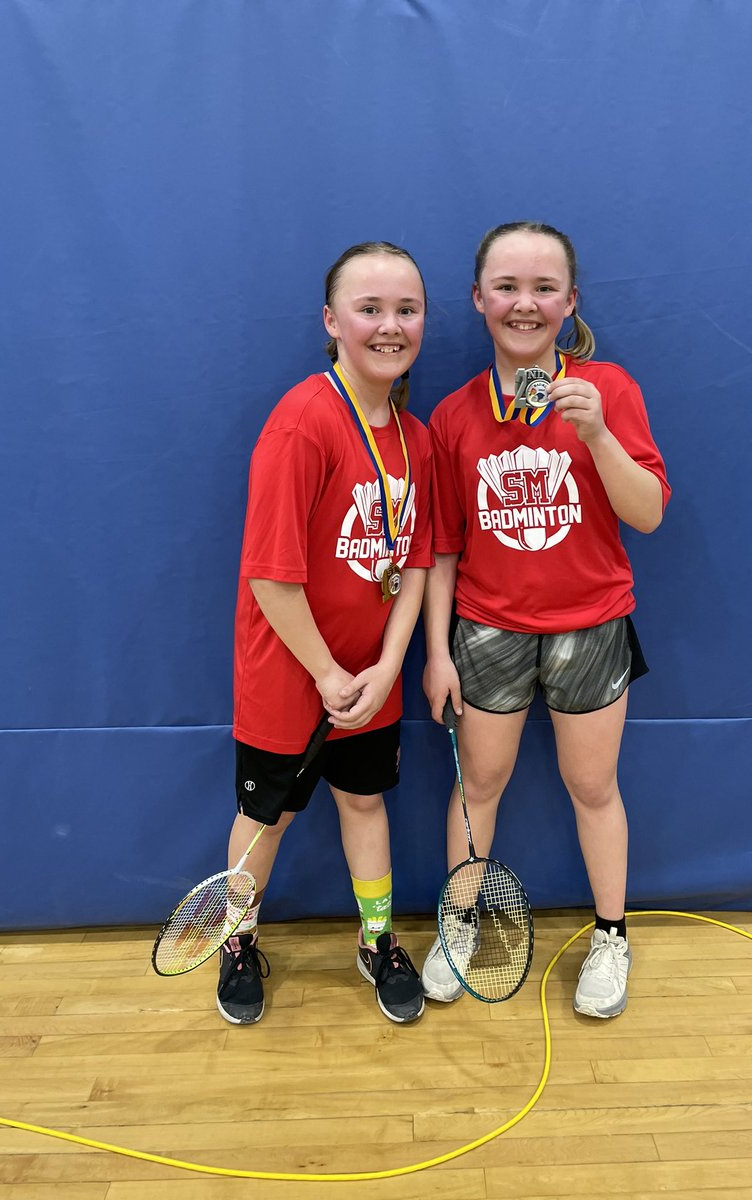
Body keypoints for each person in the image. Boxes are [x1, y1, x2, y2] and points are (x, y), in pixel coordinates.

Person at [421, 221, 670, 1018]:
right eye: (507, 287)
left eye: (542, 289)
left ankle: (611, 935)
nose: (524, 304)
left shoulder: (612, 391)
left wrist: (596, 433)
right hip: (487, 629)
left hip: (590, 624)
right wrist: (437, 652)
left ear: (570, 302)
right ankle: (459, 921)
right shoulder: (453, 417)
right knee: (479, 784)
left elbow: (651, 514)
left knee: (593, 786)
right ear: (477, 299)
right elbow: (444, 549)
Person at [220, 242, 433, 1026]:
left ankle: (375, 939)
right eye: (369, 308)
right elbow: (271, 577)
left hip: (368, 677)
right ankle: (237, 940)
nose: (389, 325)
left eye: (406, 309)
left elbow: (413, 566)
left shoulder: (413, 436)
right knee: (268, 816)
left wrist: (385, 666)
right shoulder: (302, 421)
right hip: (290, 675)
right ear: (331, 321)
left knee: (365, 803)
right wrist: (325, 673)